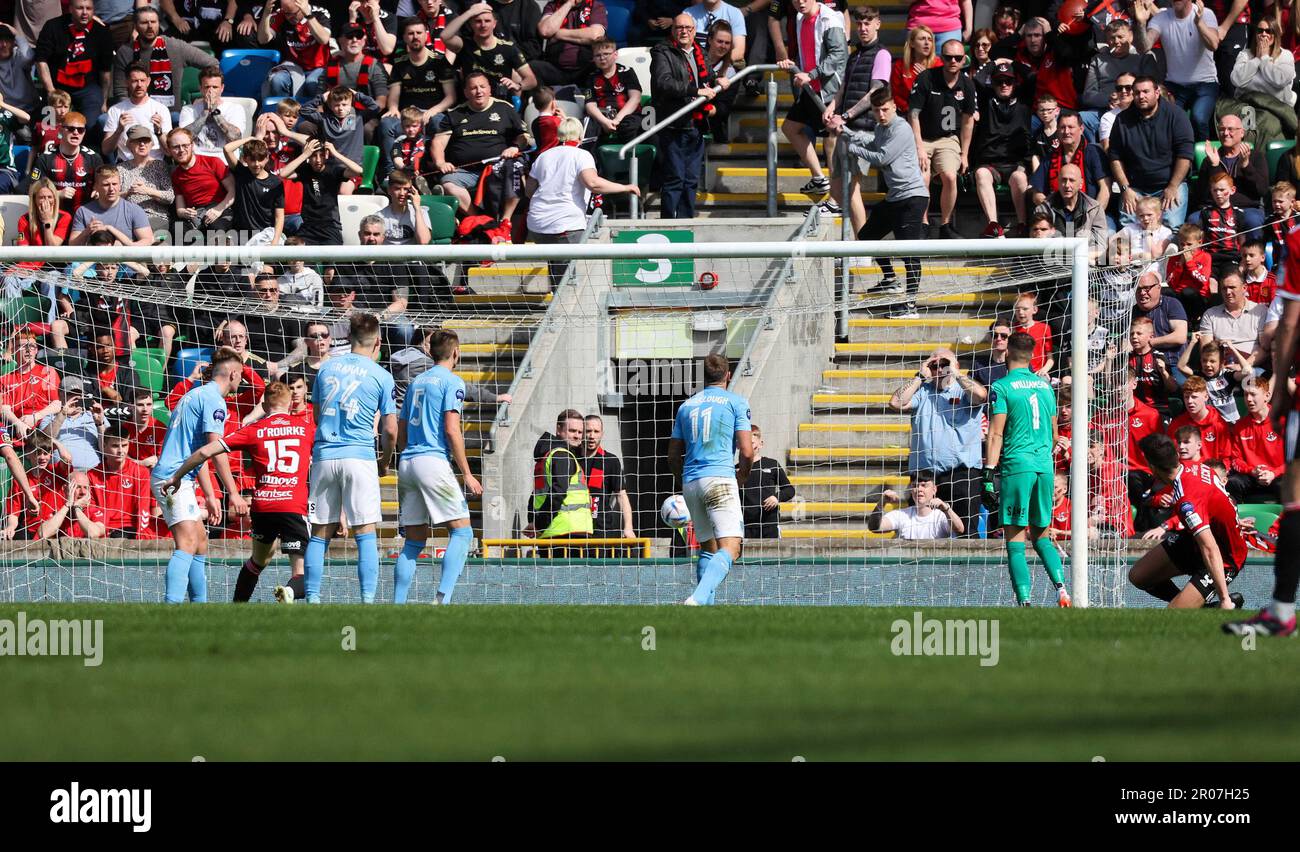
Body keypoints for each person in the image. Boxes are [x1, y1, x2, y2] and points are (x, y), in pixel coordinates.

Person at [165, 381, 314, 603]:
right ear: (291, 404)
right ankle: (290, 592)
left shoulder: (254, 430)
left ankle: (237, 606)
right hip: (293, 504)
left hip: (263, 505)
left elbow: (206, 451)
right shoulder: (307, 428)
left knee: (257, 562)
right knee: (301, 570)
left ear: (263, 404)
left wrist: (177, 476)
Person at [1226, 223, 1300, 634]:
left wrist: (1280, 383)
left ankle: (1282, 611)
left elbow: (1287, 324)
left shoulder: (1296, 239)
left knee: (1296, 499)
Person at [303, 313, 398, 605]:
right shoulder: (382, 375)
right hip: (360, 456)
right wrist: (384, 461)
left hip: (325, 455)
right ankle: (367, 601)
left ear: (349, 339)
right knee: (365, 531)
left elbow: (317, 416)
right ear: (378, 341)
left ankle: (313, 599)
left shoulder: (326, 369)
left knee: (320, 533)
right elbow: (391, 429)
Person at [151, 347, 248, 604]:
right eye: (241, 375)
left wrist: (209, 494)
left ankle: (200, 608)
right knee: (188, 541)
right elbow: (216, 450)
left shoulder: (195, 394)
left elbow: (200, 452)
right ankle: (171, 606)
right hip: (172, 478)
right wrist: (234, 493)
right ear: (233, 373)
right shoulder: (214, 400)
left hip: (181, 477)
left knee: (201, 541)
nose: (241, 380)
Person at [393, 329, 482, 604]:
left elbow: (402, 429)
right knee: (462, 532)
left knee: (413, 541)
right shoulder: (452, 382)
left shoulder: (416, 382)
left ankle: (396, 604)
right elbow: (452, 430)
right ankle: (442, 600)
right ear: (456, 353)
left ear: (429, 352)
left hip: (407, 461)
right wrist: (467, 473)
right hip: (432, 460)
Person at [982, 331, 1070, 607]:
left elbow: (995, 433)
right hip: (1044, 467)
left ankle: (1025, 601)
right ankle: (1062, 590)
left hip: (1017, 466)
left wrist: (988, 473)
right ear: (1032, 356)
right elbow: (1056, 434)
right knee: (1042, 535)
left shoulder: (1002, 386)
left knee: (1015, 539)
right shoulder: (1045, 387)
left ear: (1007, 353)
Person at [668, 353, 754, 606]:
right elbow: (747, 451)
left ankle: (704, 608)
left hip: (691, 482)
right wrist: (741, 476)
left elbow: (673, 454)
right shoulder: (736, 403)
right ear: (728, 375)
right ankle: (697, 597)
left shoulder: (686, 406)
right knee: (731, 548)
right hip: (719, 478)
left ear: (702, 377)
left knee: (708, 548)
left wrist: (683, 480)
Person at [524, 116, 640, 291]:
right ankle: (563, 313)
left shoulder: (544, 156)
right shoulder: (582, 155)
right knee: (568, 278)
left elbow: (529, 190)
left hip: (537, 224)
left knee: (556, 267)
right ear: (580, 135)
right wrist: (625, 187)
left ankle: (557, 305)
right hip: (565, 223)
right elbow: (593, 183)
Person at [843, 87, 928, 318]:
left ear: (894, 107)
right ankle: (890, 278)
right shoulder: (882, 128)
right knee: (867, 236)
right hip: (894, 197)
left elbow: (883, 157)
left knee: (909, 253)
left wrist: (852, 147)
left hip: (912, 197)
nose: (881, 115)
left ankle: (911, 306)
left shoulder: (901, 128)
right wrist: (844, 130)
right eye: (876, 110)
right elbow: (872, 142)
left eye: (885, 109)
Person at [1131, 433, 1242, 609]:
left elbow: (1209, 547)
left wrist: (1224, 598)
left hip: (1223, 555)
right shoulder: (1193, 467)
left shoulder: (1187, 501)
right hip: (1193, 541)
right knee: (1138, 576)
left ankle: (1221, 604)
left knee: (1174, 615)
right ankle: (1201, 608)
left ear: (1152, 467)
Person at [889, 345, 984, 536]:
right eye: (934, 365)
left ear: (955, 365)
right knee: (919, 532)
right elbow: (895, 403)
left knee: (966, 533)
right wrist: (919, 377)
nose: (940, 369)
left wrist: (956, 373)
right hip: (925, 478)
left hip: (961, 475)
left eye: (944, 364)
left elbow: (981, 396)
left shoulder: (963, 391)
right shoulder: (923, 391)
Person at [821, 5, 891, 235]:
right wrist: (831, 108)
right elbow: (842, 90)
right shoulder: (854, 55)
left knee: (851, 187)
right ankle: (857, 241)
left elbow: (876, 93)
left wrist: (847, 115)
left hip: (864, 131)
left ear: (877, 24)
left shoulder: (882, 54)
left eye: (867, 23)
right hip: (846, 129)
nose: (862, 28)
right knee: (841, 185)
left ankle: (863, 247)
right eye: (859, 23)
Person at [650, 13, 727, 220]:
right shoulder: (662, 51)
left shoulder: (699, 52)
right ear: (673, 30)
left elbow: (707, 78)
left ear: (694, 31)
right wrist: (695, 91)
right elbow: (663, 83)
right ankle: (668, 225)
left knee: (691, 179)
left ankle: (686, 222)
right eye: (679, 28)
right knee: (675, 178)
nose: (684, 31)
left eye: (688, 28)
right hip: (673, 124)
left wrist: (719, 80)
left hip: (697, 124)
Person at [430, 70, 528, 223]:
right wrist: (440, 162)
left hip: (498, 168)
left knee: (516, 170)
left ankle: (505, 221)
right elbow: (438, 141)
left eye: (482, 86)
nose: (479, 91)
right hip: (464, 171)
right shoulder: (455, 113)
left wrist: (515, 147)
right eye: (473, 88)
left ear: (490, 89)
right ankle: (481, 222)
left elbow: (523, 137)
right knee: (448, 184)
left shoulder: (505, 109)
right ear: (466, 92)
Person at [775, 0, 847, 198]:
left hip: (829, 91)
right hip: (810, 89)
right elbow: (807, 51)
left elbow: (838, 55)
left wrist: (812, 74)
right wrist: (794, 64)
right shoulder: (800, 18)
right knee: (790, 128)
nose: (800, 2)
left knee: (831, 143)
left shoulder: (830, 19)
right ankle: (818, 178)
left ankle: (835, 199)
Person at [1108, 76, 1195, 229]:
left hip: (1169, 185)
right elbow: (1115, 157)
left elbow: (1185, 155)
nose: (1141, 96)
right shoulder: (1122, 120)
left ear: (1156, 92)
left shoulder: (1176, 116)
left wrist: (1173, 186)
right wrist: (1125, 189)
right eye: (1137, 93)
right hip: (1135, 188)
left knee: (1172, 227)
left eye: (1146, 92)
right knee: (1128, 228)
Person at [909, 37, 975, 239]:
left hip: (948, 138)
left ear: (964, 59)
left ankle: (946, 225)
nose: (953, 61)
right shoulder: (926, 78)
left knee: (950, 176)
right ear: (941, 58)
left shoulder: (967, 84)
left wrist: (964, 154)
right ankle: (924, 224)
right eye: (948, 57)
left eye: (957, 57)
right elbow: (913, 115)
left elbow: (967, 121)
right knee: (923, 177)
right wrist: (919, 147)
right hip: (923, 137)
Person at [1133, 0, 1220, 140]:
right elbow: (1143, 47)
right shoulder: (1161, 17)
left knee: (1199, 119)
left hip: (1205, 83)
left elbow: (1214, 44)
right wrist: (1141, 24)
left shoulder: (1205, 13)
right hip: (1175, 85)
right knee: (1164, 119)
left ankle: (1205, 159)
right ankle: (1174, 158)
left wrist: (1199, 22)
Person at [379, 18, 456, 176]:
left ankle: (432, 173)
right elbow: (394, 94)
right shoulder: (399, 63)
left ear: (426, 35)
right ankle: (391, 174)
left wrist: (431, 111)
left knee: (439, 122)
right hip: (407, 114)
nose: (415, 37)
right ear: (405, 37)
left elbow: (451, 97)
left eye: (419, 33)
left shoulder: (439, 61)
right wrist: (393, 108)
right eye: (411, 33)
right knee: (387, 123)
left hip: (432, 113)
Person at [111, 7, 217, 112]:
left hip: (171, 113)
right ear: (136, 26)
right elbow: (120, 92)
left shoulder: (176, 46)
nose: (150, 26)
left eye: (153, 22)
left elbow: (213, 64)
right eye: (144, 23)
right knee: (103, 120)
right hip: (136, 112)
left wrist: (203, 95)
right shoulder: (125, 52)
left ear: (158, 23)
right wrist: (129, 114)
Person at [33, 0, 115, 130]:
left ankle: (86, 148)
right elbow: (40, 60)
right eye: (80, 8)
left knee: (91, 125)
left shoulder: (102, 33)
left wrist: (104, 101)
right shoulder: (53, 26)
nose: (84, 13)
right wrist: (51, 92)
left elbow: (105, 71)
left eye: (88, 8)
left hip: (88, 88)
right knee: (47, 128)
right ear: (70, 8)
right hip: (57, 86)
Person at [970, 67, 1030, 237]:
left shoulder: (1024, 101)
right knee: (981, 174)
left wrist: (1015, 63)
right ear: (993, 84)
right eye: (999, 81)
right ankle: (994, 226)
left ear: (1015, 83)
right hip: (990, 163)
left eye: (1008, 81)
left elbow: (1032, 76)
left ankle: (1022, 225)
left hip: (1014, 163)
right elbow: (978, 79)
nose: (1004, 85)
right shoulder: (986, 100)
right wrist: (994, 62)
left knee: (1020, 177)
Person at [1078, 20, 1157, 142]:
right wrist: (1109, 99)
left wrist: (1127, 101)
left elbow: (1152, 90)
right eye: (1112, 38)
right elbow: (1088, 95)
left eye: (1120, 37)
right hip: (1104, 109)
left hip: (1135, 108)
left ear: (1130, 36)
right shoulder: (1098, 60)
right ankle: (1094, 152)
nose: (1116, 42)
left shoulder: (1142, 58)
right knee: (1081, 119)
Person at [525, 409, 593, 548]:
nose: (577, 436)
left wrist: (534, 521)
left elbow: (537, 494)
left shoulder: (549, 455)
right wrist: (538, 524)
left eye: (580, 432)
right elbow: (558, 493)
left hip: (554, 530)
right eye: (572, 431)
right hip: (569, 532)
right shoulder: (562, 456)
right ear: (558, 430)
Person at [443, 4, 538, 102]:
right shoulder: (464, 45)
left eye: (487, 21)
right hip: (471, 105)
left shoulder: (508, 48)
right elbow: (445, 36)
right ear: (471, 24)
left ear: (494, 24)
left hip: (500, 105)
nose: (483, 25)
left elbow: (531, 80)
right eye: (478, 21)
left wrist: (518, 86)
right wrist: (469, 13)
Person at [23, 111, 101, 218]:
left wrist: (99, 190)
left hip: (86, 216)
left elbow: (103, 183)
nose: (76, 132)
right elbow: (32, 189)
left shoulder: (93, 158)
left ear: (84, 133)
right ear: (60, 130)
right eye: (70, 129)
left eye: (80, 130)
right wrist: (57, 194)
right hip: (53, 215)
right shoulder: (46, 158)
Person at [259, 0, 334, 100]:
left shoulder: (319, 13)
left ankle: (314, 113)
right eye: (286, 13)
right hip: (293, 66)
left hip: (318, 67)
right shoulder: (281, 14)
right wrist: (266, 14)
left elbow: (324, 39)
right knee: (278, 80)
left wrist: (308, 15)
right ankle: (283, 112)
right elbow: (262, 39)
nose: (289, 17)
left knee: (312, 83)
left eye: (293, 13)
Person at [89, 426, 153, 539]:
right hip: (103, 529)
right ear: (104, 446)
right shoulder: (92, 475)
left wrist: (140, 536)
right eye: (115, 446)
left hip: (131, 530)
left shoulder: (141, 473)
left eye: (124, 445)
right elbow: (92, 509)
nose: (120, 451)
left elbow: (143, 509)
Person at [168, 127, 235, 233]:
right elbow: (179, 210)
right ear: (169, 150)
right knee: (177, 231)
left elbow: (233, 191)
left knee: (216, 230)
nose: (181, 150)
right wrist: (185, 212)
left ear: (192, 145)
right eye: (176, 147)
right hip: (195, 214)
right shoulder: (176, 175)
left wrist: (218, 210)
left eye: (185, 145)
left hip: (219, 209)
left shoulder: (213, 162)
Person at [221, 136, 285, 246]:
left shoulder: (275, 183)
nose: (256, 164)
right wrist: (249, 139)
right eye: (252, 159)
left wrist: (275, 241)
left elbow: (279, 216)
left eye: (260, 159)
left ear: (266, 158)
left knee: (263, 264)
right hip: (240, 235)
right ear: (245, 159)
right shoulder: (241, 172)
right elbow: (227, 149)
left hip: (264, 235)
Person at [582, 413, 635, 543]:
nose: (592, 436)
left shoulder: (610, 461)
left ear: (602, 433)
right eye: (588, 431)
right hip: (575, 529)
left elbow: (621, 495)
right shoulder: (570, 458)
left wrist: (628, 527)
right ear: (582, 432)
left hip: (601, 530)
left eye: (596, 431)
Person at [68, 166, 154, 247]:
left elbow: (148, 240)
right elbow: (72, 245)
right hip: (94, 261)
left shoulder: (134, 210)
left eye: (115, 184)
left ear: (120, 185)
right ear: (95, 187)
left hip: (126, 260)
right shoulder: (83, 211)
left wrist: (128, 247)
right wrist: (87, 231)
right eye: (106, 185)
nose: (111, 189)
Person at [867, 468, 964, 539]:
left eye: (924, 485)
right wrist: (881, 503)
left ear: (934, 489)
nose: (919, 490)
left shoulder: (941, 516)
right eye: (915, 485)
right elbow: (874, 528)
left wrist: (946, 508)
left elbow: (960, 530)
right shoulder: (902, 514)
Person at [582, 37, 643, 145]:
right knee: (588, 125)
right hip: (602, 117)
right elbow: (590, 105)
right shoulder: (592, 77)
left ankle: (626, 159)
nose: (602, 58)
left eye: (606, 54)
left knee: (630, 125)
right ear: (594, 58)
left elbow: (635, 98)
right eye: (598, 55)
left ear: (615, 55)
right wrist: (604, 122)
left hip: (627, 115)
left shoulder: (627, 72)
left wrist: (617, 120)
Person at [178, 67, 248, 159]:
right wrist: (205, 112)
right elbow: (184, 139)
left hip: (225, 161)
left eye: (215, 87)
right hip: (198, 161)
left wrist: (215, 113)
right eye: (207, 87)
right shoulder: (188, 110)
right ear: (200, 88)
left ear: (222, 88)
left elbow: (235, 137)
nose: (210, 91)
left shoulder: (235, 109)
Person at [118, 125, 175, 235]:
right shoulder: (120, 168)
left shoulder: (159, 166)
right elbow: (112, 198)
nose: (142, 144)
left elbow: (170, 197)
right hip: (127, 218)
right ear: (129, 145)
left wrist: (147, 191)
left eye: (146, 140)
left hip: (155, 217)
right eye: (137, 141)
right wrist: (128, 192)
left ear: (151, 144)